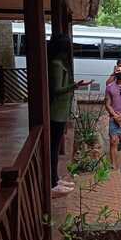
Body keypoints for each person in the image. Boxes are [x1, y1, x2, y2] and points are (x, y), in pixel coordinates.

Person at [48, 35, 92, 197]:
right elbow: (57, 90)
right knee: (53, 148)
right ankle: (52, 183)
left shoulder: (58, 64)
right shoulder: (57, 65)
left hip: (61, 112)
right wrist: (75, 85)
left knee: (55, 145)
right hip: (56, 112)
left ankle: (55, 178)